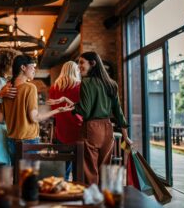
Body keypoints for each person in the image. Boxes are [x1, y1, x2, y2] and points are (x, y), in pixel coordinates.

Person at [51, 52, 132, 185]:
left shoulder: (86, 82)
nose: (79, 66)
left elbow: (85, 111)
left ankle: (90, 202)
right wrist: (125, 137)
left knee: (89, 172)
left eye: (82, 62)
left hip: (91, 129)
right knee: (103, 170)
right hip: (108, 130)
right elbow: (119, 113)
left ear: (92, 64)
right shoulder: (112, 84)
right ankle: (102, 201)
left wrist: (72, 108)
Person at [2, 54, 74, 164]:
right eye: (33, 66)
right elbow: (34, 118)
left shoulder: (6, 89)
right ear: (23, 67)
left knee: (16, 176)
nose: (34, 70)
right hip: (28, 141)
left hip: (11, 140)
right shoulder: (30, 87)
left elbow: (0, 117)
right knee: (29, 177)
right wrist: (58, 110)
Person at [48, 61, 83, 181]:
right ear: (75, 71)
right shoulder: (80, 86)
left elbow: (54, 110)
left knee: (62, 171)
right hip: (78, 132)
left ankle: (60, 194)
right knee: (78, 170)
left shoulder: (54, 88)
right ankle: (76, 194)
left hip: (61, 132)